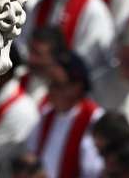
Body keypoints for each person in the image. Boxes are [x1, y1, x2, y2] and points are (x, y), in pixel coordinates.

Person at [27, 49, 104, 178]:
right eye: (50, 84)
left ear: (76, 87)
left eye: (57, 85)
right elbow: (32, 154)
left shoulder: (94, 119)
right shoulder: (46, 115)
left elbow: (95, 170)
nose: (50, 91)